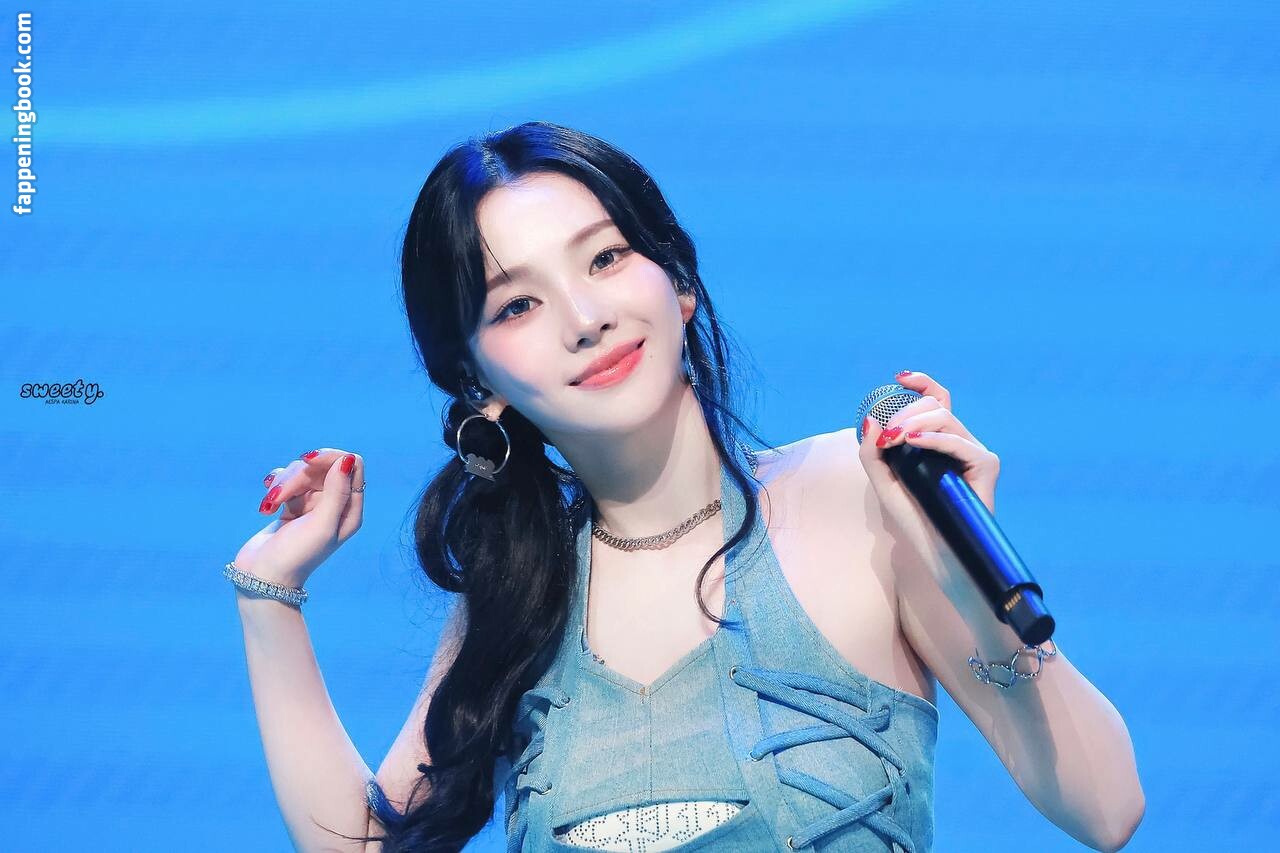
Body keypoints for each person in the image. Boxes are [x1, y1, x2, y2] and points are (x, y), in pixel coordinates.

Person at [228, 121, 1144, 853]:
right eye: (518, 304)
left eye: (604, 258)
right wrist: (269, 593)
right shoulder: (519, 598)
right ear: (478, 384)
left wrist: (971, 587)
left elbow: (1107, 810)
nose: (585, 318)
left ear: (678, 281)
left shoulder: (861, 494)